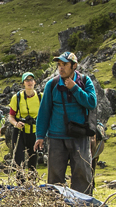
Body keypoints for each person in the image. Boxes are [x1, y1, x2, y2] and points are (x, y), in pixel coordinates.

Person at [35, 51, 97, 194]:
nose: (61, 68)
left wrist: (74, 88)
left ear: (74, 66)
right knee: (55, 177)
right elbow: (44, 112)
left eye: (65, 64)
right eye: (59, 65)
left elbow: (91, 103)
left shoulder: (85, 81)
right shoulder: (52, 85)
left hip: (79, 136)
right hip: (56, 137)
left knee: (82, 175)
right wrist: (40, 136)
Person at [7, 71, 40, 170]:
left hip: (34, 131)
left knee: (33, 158)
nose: (29, 82)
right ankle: (20, 181)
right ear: (23, 83)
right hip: (20, 131)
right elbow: (11, 116)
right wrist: (16, 124)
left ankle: (32, 181)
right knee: (18, 158)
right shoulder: (16, 98)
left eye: (31, 80)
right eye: (26, 80)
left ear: (34, 82)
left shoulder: (40, 97)